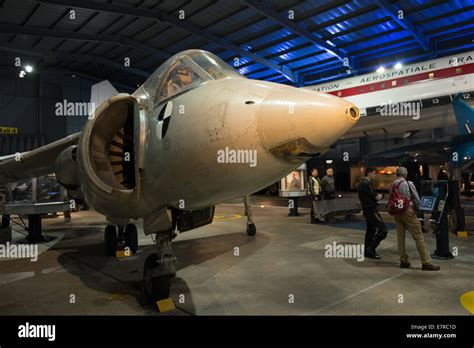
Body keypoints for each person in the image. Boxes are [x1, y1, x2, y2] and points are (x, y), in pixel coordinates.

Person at [389, 167, 440, 271]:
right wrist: (420, 210)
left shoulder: (392, 185)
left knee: (400, 236)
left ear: (397, 174)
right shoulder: (408, 183)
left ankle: (403, 260)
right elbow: (416, 198)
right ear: (405, 174)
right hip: (407, 211)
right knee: (419, 237)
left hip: (396, 212)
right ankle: (426, 262)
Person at [357, 167, 387, 259]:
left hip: (368, 209)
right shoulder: (365, 183)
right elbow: (374, 196)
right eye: (374, 173)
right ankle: (371, 249)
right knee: (383, 230)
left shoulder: (364, 183)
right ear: (369, 173)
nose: (375, 175)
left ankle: (367, 251)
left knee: (371, 230)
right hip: (370, 209)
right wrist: (379, 196)